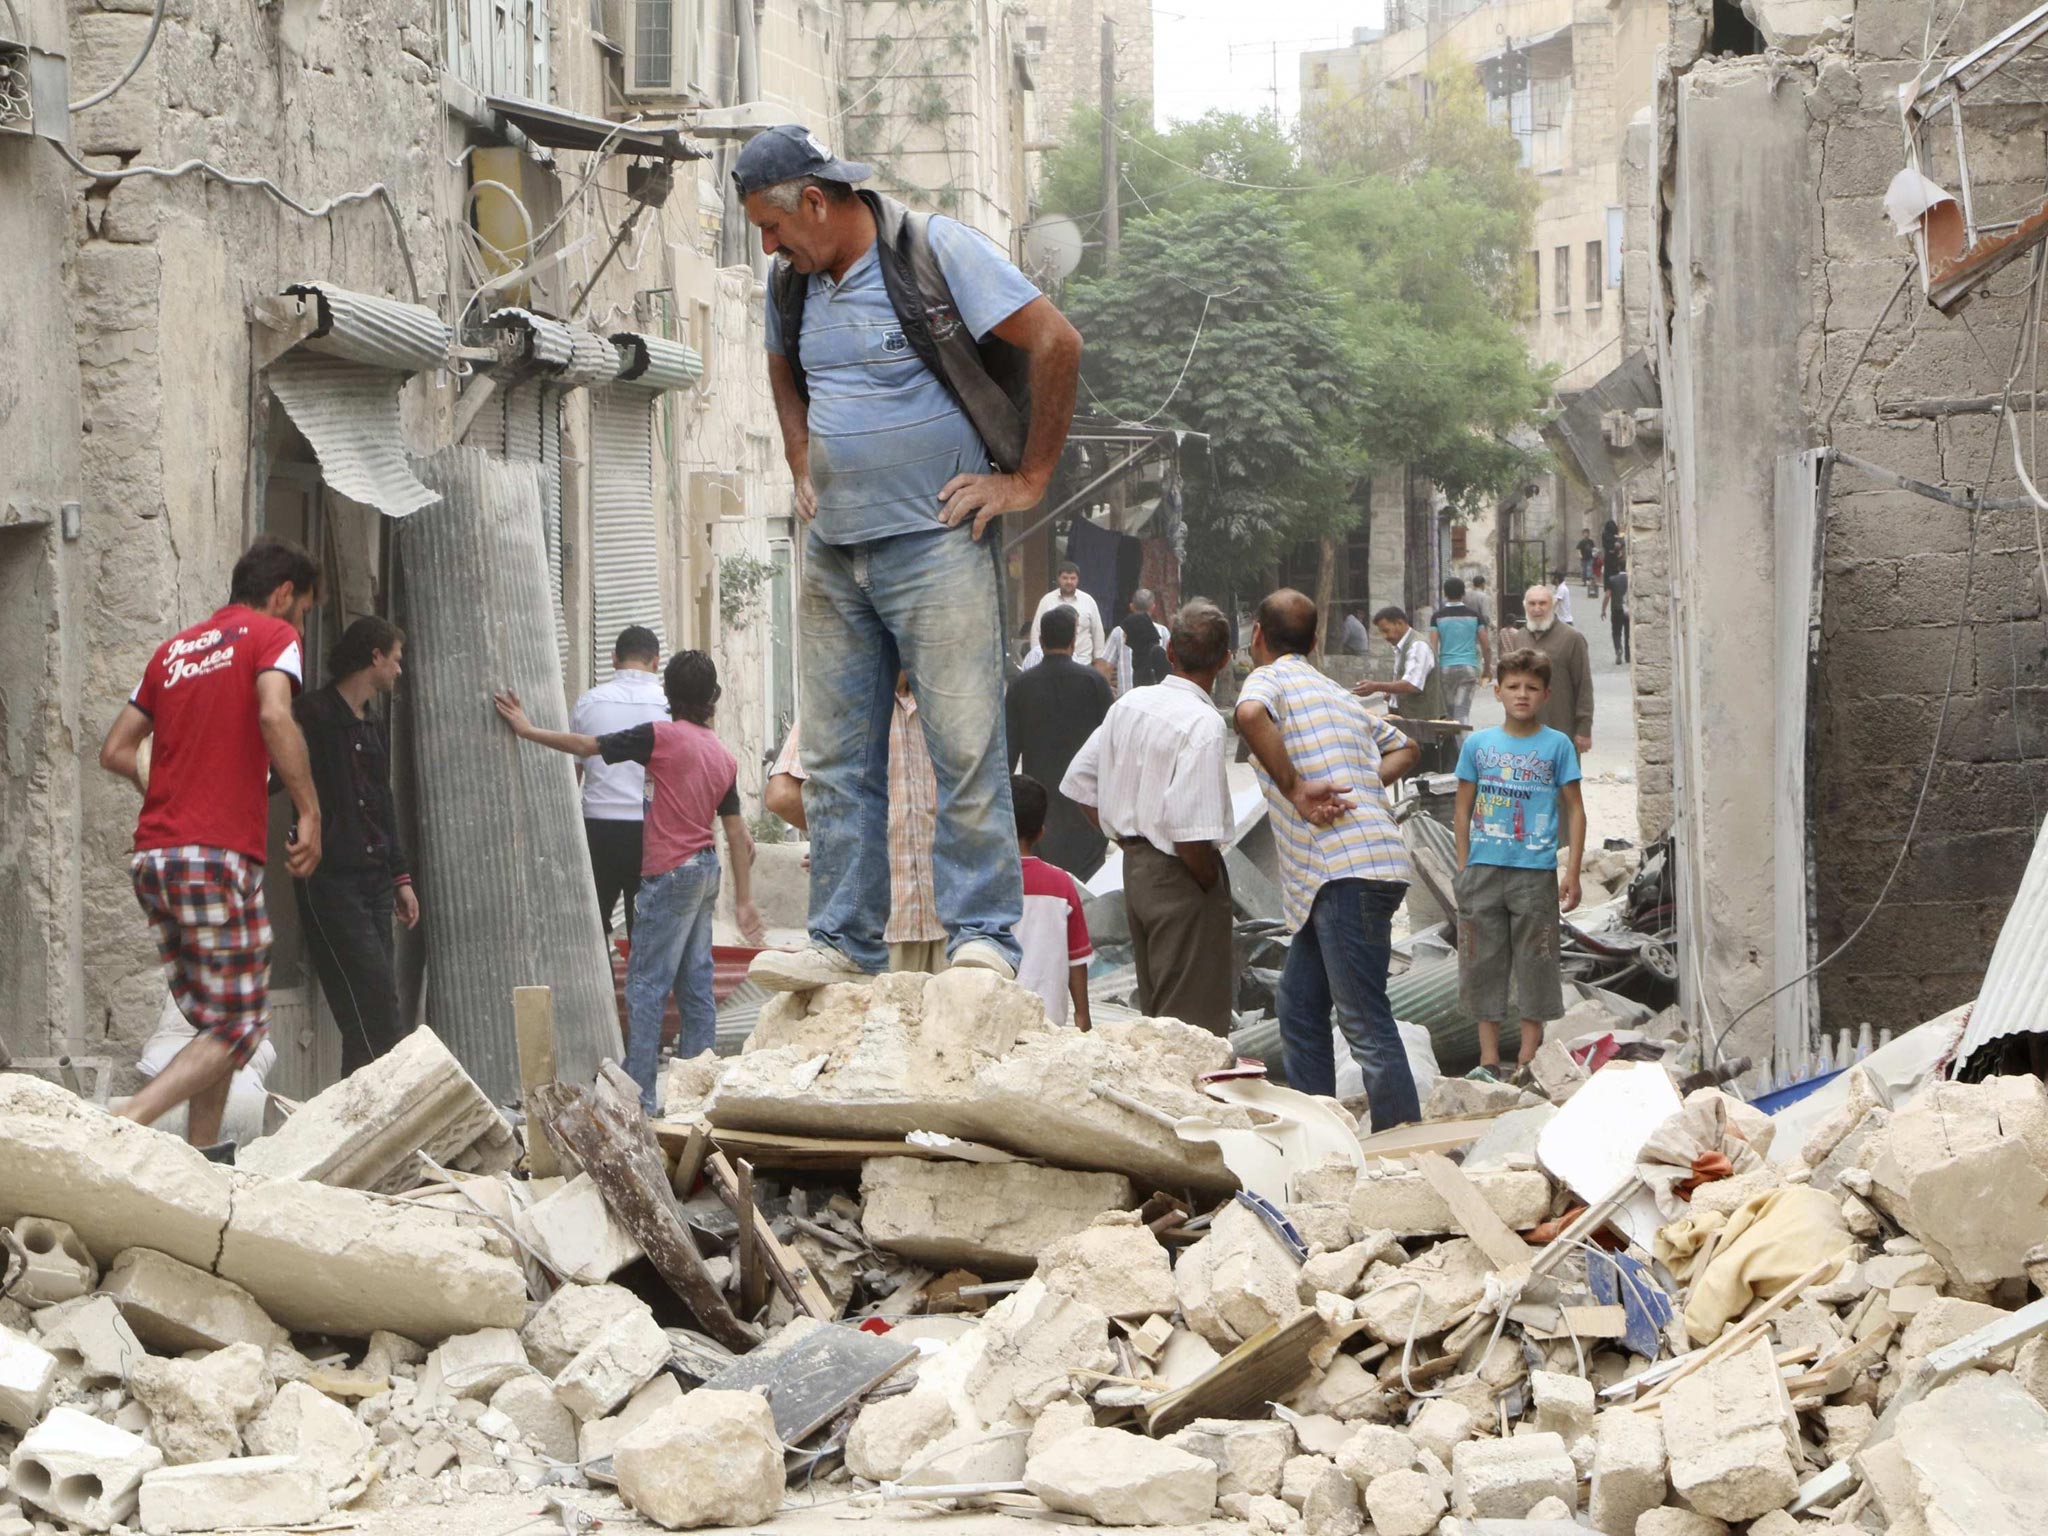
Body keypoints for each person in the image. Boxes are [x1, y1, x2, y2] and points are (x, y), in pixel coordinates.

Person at [739, 124, 1083, 990]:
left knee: (964, 748)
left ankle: (981, 939)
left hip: (938, 544)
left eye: (775, 228)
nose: (770, 248)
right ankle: (842, 941)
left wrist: (1028, 479)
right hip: (833, 553)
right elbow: (782, 369)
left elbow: (1058, 342)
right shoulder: (792, 287)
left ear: (816, 201)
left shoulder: (935, 249)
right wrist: (796, 453)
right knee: (836, 763)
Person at [97, 535, 323, 1150]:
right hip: (217, 857)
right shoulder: (271, 636)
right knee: (241, 1027)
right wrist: (309, 810)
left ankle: (200, 1162)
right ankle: (126, 1118)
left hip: (156, 859)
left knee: (214, 1029)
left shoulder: (173, 651)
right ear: (283, 595)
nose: (300, 622)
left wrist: (171, 790)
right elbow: (276, 716)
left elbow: (115, 749)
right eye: (302, 609)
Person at [493, 652, 762, 1111]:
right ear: (713, 699)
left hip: (670, 873)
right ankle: (697, 1097)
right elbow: (739, 835)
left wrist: (526, 729)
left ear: (668, 696)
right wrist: (744, 902)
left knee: (645, 985)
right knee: (696, 985)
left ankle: (637, 1100)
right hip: (705, 872)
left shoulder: (659, 736)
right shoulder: (723, 756)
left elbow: (586, 747)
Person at [1235, 590, 1422, 1129]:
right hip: (1353, 869)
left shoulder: (1268, 679)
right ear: (1317, 641)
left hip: (1346, 873)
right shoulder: (1335, 694)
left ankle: (1401, 1143)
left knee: (1364, 1021)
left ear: (1257, 637)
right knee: (1298, 1005)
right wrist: (1364, 785)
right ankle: (1317, 1130)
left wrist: (1294, 787)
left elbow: (1249, 713)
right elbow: (1406, 746)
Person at [1063, 600, 1236, 1035]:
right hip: (1180, 873)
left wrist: (1126, 838)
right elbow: (1191, 833)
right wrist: (1206, 881)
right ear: (1225, 660)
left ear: (1170, 653)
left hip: (1138, 869)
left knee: (1158, 1008)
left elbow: (1080, 781)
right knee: (1189, 1028)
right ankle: (1185, 1102)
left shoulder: (1132, 704)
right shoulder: (1203, 724)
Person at [293, 616, 420, 1076]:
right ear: (375, 657)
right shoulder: (314, 716)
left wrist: (400, 878)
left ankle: (362, 1119)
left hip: (374, 882)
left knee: (377, 1008)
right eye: (396, 659)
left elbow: (383, 804)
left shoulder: (373, 724)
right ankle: (371, 1113)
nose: (399, 671)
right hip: (331, 883)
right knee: (373, 1008)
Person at [1454, 649, 1586, 1077]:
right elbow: (1461, 809)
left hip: (1534, 873)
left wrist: (1572, 871)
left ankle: (1529, 1056)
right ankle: (1489, 1059)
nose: (1522, 695)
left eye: (1531, 687)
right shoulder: (1478, 745)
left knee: (1537, 959)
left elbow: (1575, 809)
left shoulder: (1557, 745)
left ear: (1546, 694)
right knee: (1481, 960)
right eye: (1513, 687)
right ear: (1497, 692)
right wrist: (1463, 868)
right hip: (1483, 870)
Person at [765, 676, 948, 973]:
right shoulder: (844, 699)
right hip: (900, 922)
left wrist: (840, 839)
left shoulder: (944, 699)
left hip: (926, 922)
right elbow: (782, 795)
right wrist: (837, 840)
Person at [570, 626, 669, 939]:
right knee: (646, 929)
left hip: (598, 828)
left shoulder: (587, 703)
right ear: (656, 662)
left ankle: (599, 988)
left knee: (592, 927)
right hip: (650, 830)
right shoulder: (670, 708)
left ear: (614, 658)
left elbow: (574, 778)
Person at [1006, 605, 1114, 877]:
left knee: (1047, 883)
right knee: (1088, 888)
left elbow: (1007, 752)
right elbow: (1113, 744)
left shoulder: (1021, 686)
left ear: (1040, 642)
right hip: (1086, 807)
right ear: (1073, 641)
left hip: (1042, 812)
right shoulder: (1095, 683)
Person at [1012, 774, 1093, 1029]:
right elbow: (1076, 959)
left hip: (995, 1011)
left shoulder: (984, 882)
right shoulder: (1062, 884)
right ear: (1041, 833)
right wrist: (1082, 1016)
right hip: (1048, 1020)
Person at [1503, 586, 1594, 754]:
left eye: (1542, 603)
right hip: (1524, 729)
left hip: (1561, 728)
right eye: (1532, 604)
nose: (1537, 609)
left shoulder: (1572, 638)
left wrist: (1584, 729)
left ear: (1553, 605)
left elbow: (1584, 685)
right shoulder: (1520, 637)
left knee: (1564, 779)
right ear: (1525, 607)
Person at [1352, 605, 1444, 720]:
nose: (1385, 636)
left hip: (1420, 719)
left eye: (1386, 631)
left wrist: (1376, 686)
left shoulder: (1417, 645)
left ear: (1399, 623)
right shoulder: (1402, 647)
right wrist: (1393, 694)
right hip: (1403, 715)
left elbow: (1412, 685)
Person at [1430, 577, 1491, 726]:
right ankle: (1463, 748)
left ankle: (1452, 748)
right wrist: (1487, 669)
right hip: (1468, 668)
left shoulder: (1437, 617)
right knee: (1462, 713)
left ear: (1445, 594)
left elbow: (1433, 646)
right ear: (1463, 593)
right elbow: (1486, 645)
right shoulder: (1475, 616)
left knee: (1450, 716)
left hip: (1445, 669)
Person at [1032, 561, 1108, 670]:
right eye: (1065, 578)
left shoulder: (1088, 601)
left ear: (1078, 580)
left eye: (1073, 578)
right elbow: (1036, 630)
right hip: (1052, 664)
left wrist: (1098, 659)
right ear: (1058, 579)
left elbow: (1098, 632)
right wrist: (1037, 656)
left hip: (1083, 663)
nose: (1069, 582)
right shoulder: (1047, 601)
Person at [1101, 588, 1170, 694]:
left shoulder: (1118, 632)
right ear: (1153, 607)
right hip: (1156, 700)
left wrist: (1105, 692)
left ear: (1131, 607)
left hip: (1126, 699)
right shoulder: (1163, 632)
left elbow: (1106, 667)